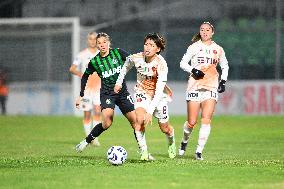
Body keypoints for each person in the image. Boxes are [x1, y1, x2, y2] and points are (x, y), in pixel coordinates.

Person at [74, 32, 153, 161]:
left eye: (104, 42)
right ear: (97, 45)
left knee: (136, 122)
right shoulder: (95, 61)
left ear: (108, 42)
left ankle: (144, 152)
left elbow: (133, 60)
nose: (102, 45)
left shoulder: (118, 53)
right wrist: (81, 95)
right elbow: (85, 76)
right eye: (99, 43)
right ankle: (86, 141)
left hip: (122, 93)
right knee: (107, 122)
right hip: (107, 94)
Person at [114, 33, 176, 159]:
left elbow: (158, 91)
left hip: (158, 97)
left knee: (165, 128)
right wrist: (119, 82)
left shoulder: (161, 64)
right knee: (138, 122)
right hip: (142, 93)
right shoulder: (136, 58)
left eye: (151, 45)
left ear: (157, 49)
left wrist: (150, 112)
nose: (147, 47)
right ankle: (144, 152)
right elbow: (125, 66)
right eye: (146, 44)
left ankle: (171, 142)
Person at [178, 21, 229, 160]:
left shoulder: (218, 49)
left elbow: (225, 66)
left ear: (212, 32)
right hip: (194, 85)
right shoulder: (194, 47)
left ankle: (199, 151)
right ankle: (184, 141)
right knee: (191, 122)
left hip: (211, 86)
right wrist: (193, 70)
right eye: (202, 30)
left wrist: (223, 81)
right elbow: (182, 63)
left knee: (206, 119)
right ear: (199, 32)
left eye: (207, 30)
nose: (205, 32)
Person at [69, 32, 101, 146]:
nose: (93, 41)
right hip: (86, 89)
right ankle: (89, 137)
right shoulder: (81, 55)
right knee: (87, 113)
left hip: (99, 88)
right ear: (88, 40)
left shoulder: (102, 54)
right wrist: (82, 74)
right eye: (90, 39)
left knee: (98, 111)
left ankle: (94, 138)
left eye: (95, 39)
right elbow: (72, 69)